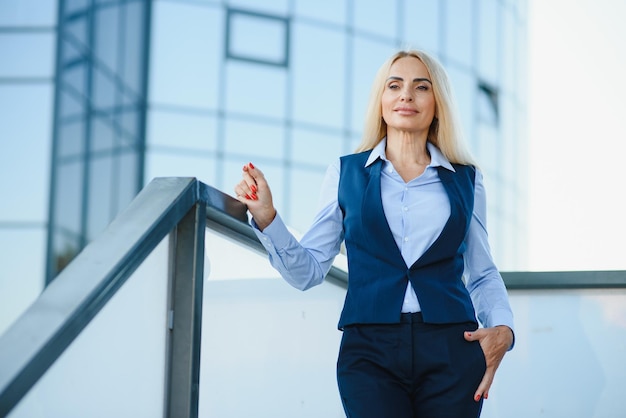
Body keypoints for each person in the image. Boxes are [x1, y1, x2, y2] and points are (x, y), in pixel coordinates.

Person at [234, 49, 514, 418]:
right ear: (380, 101)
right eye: (394, 85)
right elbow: (308, 271)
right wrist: (269, 219)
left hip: (452, 348)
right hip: (369, 351)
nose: (406, 96)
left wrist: (503, 330)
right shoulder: (345, 173)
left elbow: (481, 271)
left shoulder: (467, 180)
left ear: (438, 103)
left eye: (421, 87)